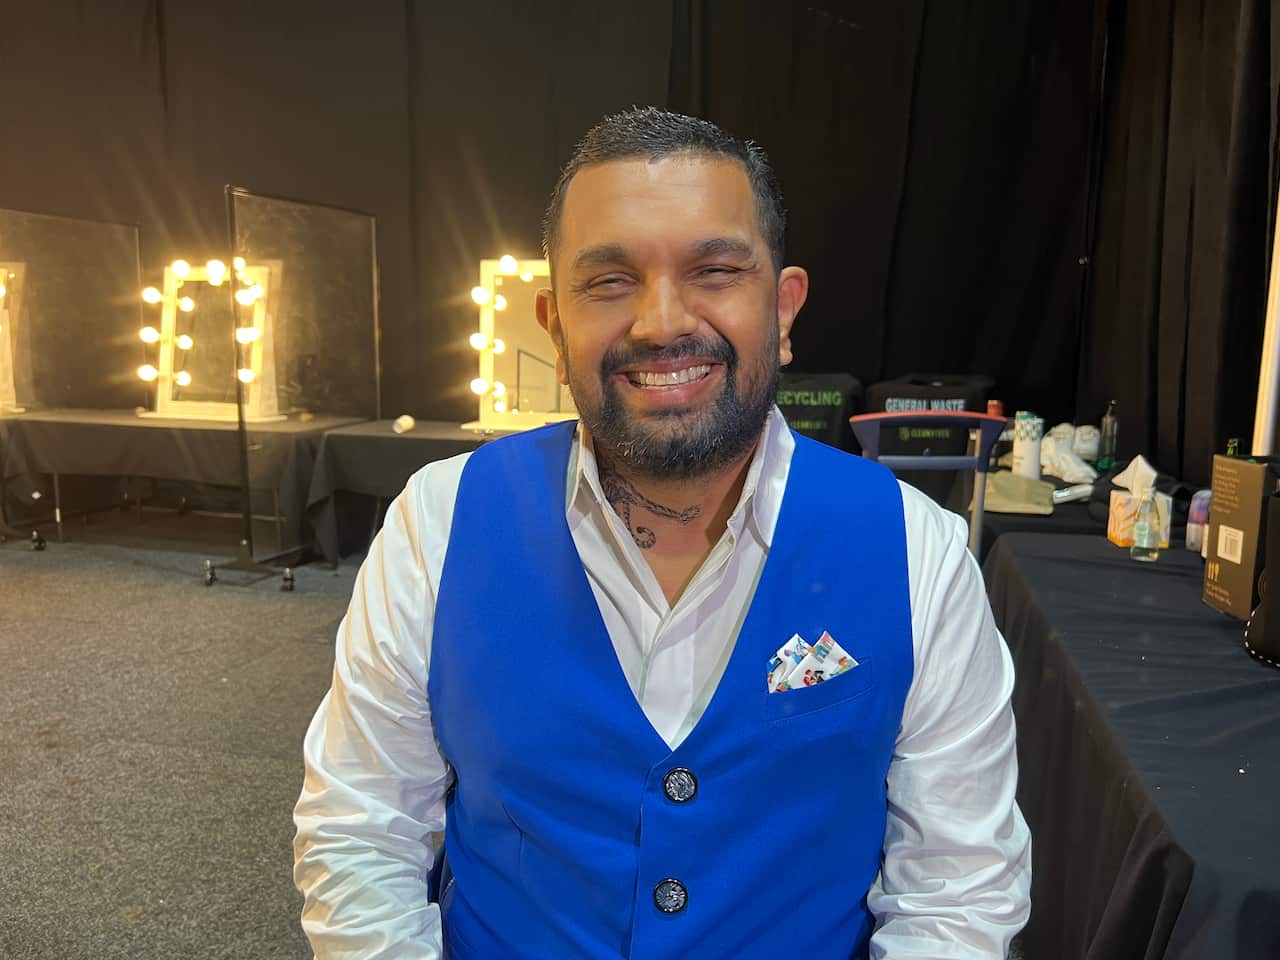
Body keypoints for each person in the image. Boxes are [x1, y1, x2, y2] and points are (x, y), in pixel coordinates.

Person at [294, 106, 1031, 959]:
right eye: (608, 282)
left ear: (784, 309)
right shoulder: (439, 520)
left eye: (714, 270)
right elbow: (362, 827)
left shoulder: (918, 552)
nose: (659, 321)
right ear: (554, 321)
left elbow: (959, 887)